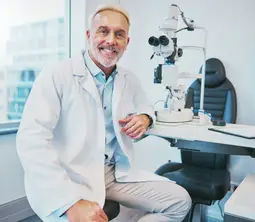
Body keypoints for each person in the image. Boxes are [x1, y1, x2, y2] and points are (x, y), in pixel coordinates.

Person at [16, 4, 191, 222]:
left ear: (127, 43)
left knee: (180, 201)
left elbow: (147, 106)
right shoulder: (57, 74)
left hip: (112, 173)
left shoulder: (129, 79)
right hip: (69, 176)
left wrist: (145, 118)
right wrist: (69, 202)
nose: (111, 40)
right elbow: (31, 140)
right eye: (103, 31)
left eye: (119, 34)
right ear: (89, 36)